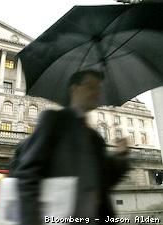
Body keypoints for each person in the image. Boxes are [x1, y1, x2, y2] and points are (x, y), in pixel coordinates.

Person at [13, 70, 130, 225]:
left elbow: (104, 182)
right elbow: (27, 175)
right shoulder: (54, 120)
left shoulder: (96, 138)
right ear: (74, 89)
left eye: (98, 88)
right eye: (90, 86)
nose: (97, 92)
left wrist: (121, 156)